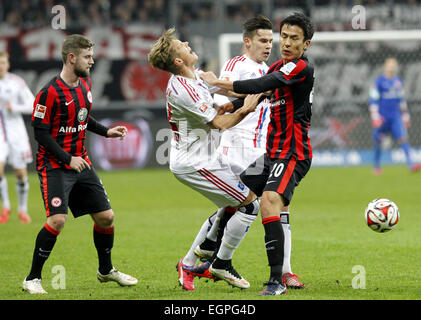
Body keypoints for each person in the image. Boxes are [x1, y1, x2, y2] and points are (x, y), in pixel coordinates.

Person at [182, 15, 305, 290]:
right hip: (236, 146)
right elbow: (219, 96)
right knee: (242, 204)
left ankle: (279, 271)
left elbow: (267, 90)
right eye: (263, 40)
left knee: (268, 204)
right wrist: (225, 101)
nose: (268, 46)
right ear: (247, 41)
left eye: (271, 41)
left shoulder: (271, 69)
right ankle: (198, 259)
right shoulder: (237, 65)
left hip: (262, 146)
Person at [148, 27, 263, 291]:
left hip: (206, 157)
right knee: (249, 205)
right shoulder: (183, 89)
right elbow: (220, 124)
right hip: (196, 164)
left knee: (231, 204)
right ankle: (220, 264)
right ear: (178, 61)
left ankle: (191, 260)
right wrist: (246, 110)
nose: (187, 43)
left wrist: (262, 88)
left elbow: (228, 89)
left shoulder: (196, 77)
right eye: (181, 45)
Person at [22, 34, 137, 294]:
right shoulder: (48, 92)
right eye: (87, 57)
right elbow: (40, 133)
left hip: (81, 163)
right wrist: (67, 158)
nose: (92, 61)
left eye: (91, 56)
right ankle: (32, 278)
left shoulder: (84, 85)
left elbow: (84, 118)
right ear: (71, 58)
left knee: (106, 217)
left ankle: (106, 271)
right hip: (55, 166)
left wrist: (107, 132)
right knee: (57, 221)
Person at [369, 57, 421, 174]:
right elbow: (373, 100)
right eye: (390, 65)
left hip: (395, 117)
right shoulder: (378, 82)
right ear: (385, 66)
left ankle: (411, 164)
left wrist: (405, 115)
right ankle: (376, 166)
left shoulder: (398, 81)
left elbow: (401, 100)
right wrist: (375, 116)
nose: (392, 67)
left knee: (403, 139)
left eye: (394, 65)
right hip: (382, 117)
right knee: (378, 141)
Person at [0, 52, 34, 224]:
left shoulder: (17, 83)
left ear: (8, 64)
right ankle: (5, 206)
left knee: (20, 173)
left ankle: (22, 209)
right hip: (0, 134)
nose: (0, 65)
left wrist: (16, 107)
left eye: (3, 62)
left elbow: (32, 104)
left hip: (16, 133)